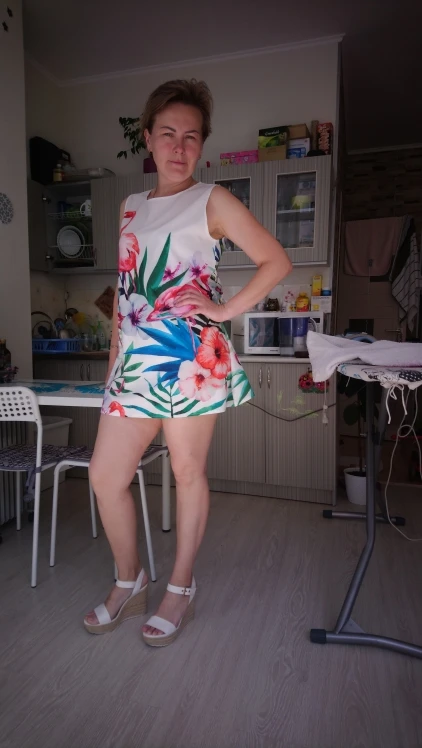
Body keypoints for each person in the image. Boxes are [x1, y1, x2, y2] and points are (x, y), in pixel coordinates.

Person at [84, 79, 292, 646]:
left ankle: (180, 587)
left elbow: (276, 261)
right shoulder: (129, 207)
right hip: (133, 363)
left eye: (191, 137)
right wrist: (113, 368)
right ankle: (129, 579)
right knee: (105, 475)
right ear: (148, 138)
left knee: (187, 472)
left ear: (202, 144)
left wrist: (223, 310)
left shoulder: (212, 200)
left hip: (190, 359)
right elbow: (126, 293)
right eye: (168, 134)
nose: (179, 147)